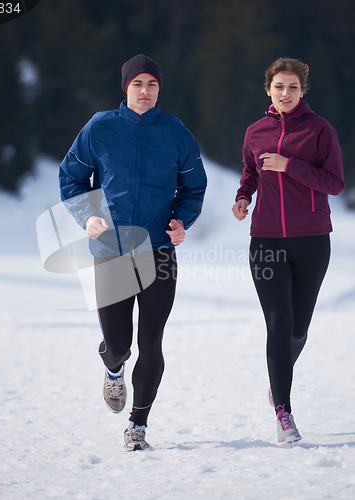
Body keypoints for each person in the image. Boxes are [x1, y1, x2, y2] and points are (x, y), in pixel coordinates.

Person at [59, 54, 207, 451]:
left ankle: (138, 424)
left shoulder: (176, 133)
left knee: (152, 340)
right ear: (125, 88)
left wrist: (182, 221)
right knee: (120, 344)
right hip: (110, 250)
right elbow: (71, 177)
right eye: (137, 84)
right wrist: (87, 217)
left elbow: (193, 187)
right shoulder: (101, 127)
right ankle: (112, 366)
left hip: (158, 251)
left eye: (152, 84)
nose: (145, 91)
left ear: (160, 89)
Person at [232, 57, 344, 446]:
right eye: (279, 86)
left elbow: (334, 183)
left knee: (299, 327)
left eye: (293, 87)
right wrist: (243, 197)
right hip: (264, 240)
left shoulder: (319, 130)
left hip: (312, 240)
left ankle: (278, 379)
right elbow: (250, 171)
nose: (285, 93)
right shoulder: (255, 131)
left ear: (302, 91)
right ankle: (284, 411)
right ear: (268, 89)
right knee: (279, 323)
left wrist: (289, 165)